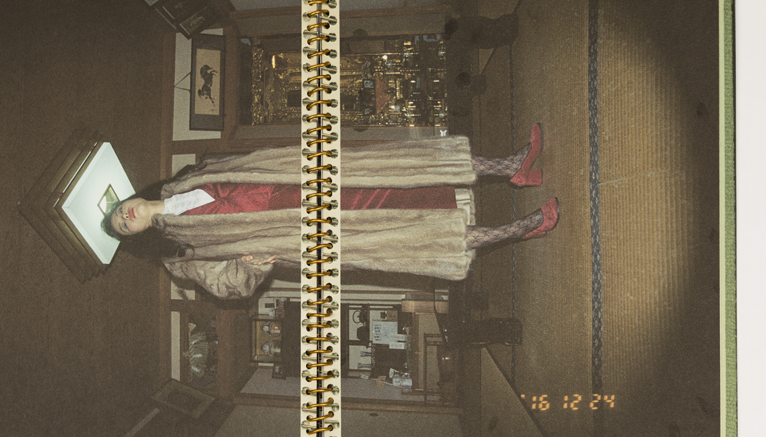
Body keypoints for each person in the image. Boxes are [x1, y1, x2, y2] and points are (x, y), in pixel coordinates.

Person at [102, 125, 559, 300]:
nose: (128, 215)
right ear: (135, 235)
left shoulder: (183, 178)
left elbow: (247, 169)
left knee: (408, 169)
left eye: (122, 209)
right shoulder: (179, 255)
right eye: (125, 224)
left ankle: (510, 167)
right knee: (413, 234)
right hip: (307, 228)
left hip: (310, 177)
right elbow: (228, 285)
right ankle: (519, 229)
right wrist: (249, 266)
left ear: (131, 198)